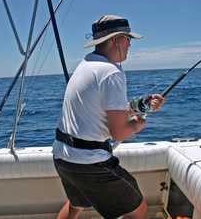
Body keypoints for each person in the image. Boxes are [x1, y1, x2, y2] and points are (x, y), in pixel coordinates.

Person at [52, 14, 164, 219]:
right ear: (115, 40)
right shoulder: (111, 73)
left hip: (63, 155)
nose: (130, 44)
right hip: (89, 162)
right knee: (136, 210)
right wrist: (138, 125)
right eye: (127, 39)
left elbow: (101, 112)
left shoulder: (86, 64)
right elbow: (119, 132)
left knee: (76, 204)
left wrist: (142, 105)